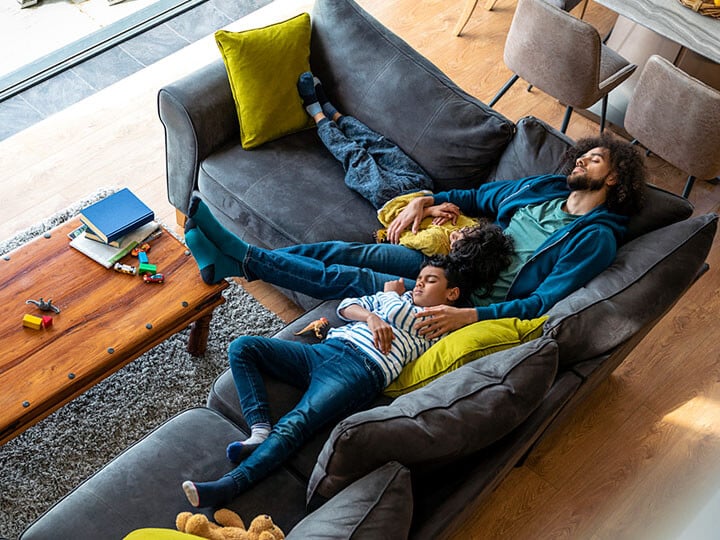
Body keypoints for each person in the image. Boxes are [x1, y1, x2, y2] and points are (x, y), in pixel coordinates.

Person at [183, 73, 647, 340]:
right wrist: (428, 199)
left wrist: (469, 315)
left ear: (614, 179)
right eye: (585, 152)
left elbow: (543, 302)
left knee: (352, 278)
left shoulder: (596, 237)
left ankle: (238, 258)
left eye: (596, 157)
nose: (582, 156)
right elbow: (476, 197)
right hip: (447, 261)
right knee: (343, 252)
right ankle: (236, 260)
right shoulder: (545, 187)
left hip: (464, 298)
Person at [181, 239, 512, 508]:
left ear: (452, 294)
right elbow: (345, 306)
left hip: (358, 371)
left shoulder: (440, 320)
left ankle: (227, 486)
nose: (419, 284)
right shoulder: (396, 298)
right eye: (420, 278)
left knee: (295, 426)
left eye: (430, 280)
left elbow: (398, 316)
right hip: (325, 350)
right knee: (243, 347)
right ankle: (259, 429)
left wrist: (388, 298)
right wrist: (371, 317)